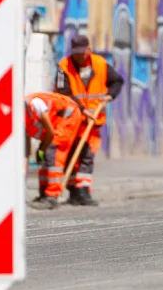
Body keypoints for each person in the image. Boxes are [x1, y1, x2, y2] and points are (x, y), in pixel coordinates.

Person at [54, 35, 125, 206]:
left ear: (88, 50)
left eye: (82, 52)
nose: (79, 56)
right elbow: (63, 92)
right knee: (71, 154)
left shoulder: (100, 64)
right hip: (72, 120)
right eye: (76, 53)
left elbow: (117, 81)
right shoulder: (64, 66)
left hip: (93, 121)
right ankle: (73, 191)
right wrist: (81, 109)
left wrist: (110, 95)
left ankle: (84, 190)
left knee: (87, 156)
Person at [25, 91, 85, 209]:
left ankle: (52, 196)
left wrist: (42, 147)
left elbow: (51, 132)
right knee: (43, 157)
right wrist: (37, 152)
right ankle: (43, 193)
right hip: (56, 123)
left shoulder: (35, 104)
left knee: (53, 153)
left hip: (68, 116)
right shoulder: (18, 114)